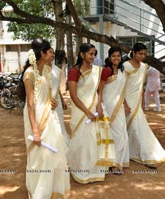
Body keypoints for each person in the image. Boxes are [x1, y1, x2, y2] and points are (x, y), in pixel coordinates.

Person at [22, 39, 70, 199]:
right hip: (35, 117)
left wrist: (53, 102)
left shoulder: (48, 70)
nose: (52, 56)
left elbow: (46, 95)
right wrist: (35, 131)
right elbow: (30, 104)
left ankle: (51, 190)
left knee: (54, 153)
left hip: (50, 116)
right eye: (50, 52)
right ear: (42, 53)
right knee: (40, 155)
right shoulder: (29, 73)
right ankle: (39, 192)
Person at [68, 43, 116, 184]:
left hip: (95, 109)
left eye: (94, 54)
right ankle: (81, 170)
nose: (93, 56)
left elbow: (99, 91)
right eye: (90, 53)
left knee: (96, 140)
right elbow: (73, 95)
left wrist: (99, 105)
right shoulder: (74, 72)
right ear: (82, 54)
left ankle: (96, 171)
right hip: (81, 111)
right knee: (82, 142)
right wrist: (87, 112)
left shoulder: (98, 70)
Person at [122, 42, 165, 169]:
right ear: (133, 52)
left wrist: (141, 102)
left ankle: (146, 156)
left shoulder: (143, 67)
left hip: (136, 102)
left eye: (144, 54)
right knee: (126, 127)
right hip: (125, 100)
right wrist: (124, 103)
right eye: (140, 53)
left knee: (138, 127)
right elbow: (121, 87)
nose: (142, 56)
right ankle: (126, 153)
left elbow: (141, 86)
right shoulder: (125, 66)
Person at [97, 46, 130, 174]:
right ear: (109, 58)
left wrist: (126, 105)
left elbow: (122, 91)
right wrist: (99, 104)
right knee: (112, 134)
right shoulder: (106, 71)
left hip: (119, 106)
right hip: (108, 106)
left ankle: (119, 161)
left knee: (121, 134)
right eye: (113, 56)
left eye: (118, 56)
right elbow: (99, 90)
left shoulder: (122, 71)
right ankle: (112, 163)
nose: (116, 58)